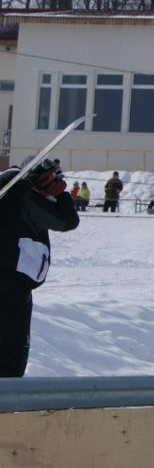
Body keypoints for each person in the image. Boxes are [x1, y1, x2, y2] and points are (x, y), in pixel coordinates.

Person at [0, 159, 79, 376]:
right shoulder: (22, 195)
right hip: (12, 283)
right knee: (10, 356)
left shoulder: (6, 188)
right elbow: (67, 221)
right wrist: (60, 192)